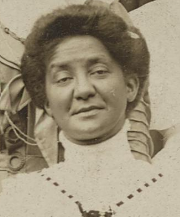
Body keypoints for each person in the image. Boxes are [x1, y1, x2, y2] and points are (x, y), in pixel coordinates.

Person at [0, 1, 154, 216]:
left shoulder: (101, 8)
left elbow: (134, 116)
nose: (83, 89)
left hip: (105, 173)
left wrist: (137, 192)